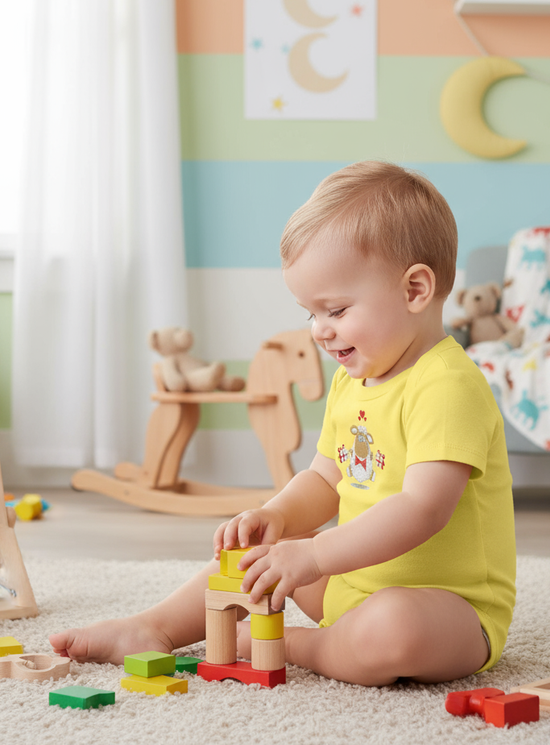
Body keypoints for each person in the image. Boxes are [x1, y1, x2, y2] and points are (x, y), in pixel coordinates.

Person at [50, 161, 516, 687]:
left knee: (391, 629)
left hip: (448, 612)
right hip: (348, 587)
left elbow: (423, 509)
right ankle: (152, 627)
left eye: (335, 310)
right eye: (310, 314)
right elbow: (324, 479)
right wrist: (275, 515)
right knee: (259, 549)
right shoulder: (354, 378)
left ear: (414, 291)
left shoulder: (447, 384)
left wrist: (314, 554)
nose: (319, 331)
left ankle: (293, 644)